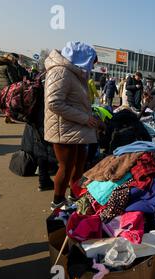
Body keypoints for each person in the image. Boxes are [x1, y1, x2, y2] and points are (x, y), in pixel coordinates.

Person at [44, 41, 102, 210]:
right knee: (66, 166)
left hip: (75, 127)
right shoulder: (60, 71)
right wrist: (84, 118)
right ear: (81, 59)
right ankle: (58, 202)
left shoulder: (73, 73)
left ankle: (74, 196)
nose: (93, 66)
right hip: (64, 128)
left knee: (78, 164)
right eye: (92, 61)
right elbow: (54, 103)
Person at [0, 53, 20, 123]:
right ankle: (8, 116)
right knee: (10, 102)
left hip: (1, 86)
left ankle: (7, 116)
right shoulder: (8, 67)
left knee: (4, 102)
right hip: (9, 86)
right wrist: (16, 85)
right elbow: (12, 78)